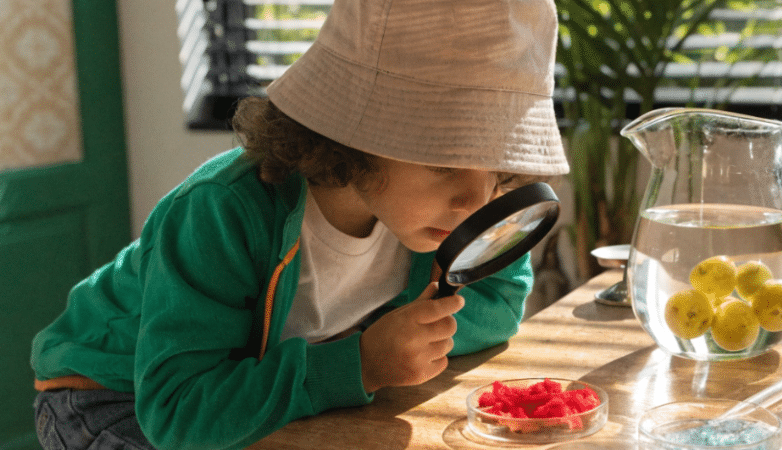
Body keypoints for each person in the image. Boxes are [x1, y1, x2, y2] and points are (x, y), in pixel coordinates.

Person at [29, 0, 568, 448]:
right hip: (110, 396)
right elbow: (178, 413)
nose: (476, 199)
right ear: (354, 136)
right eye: (446, 163)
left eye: (498, 168)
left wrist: (391, 344)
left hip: (249, 390)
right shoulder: (222, 209)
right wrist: (359, 362)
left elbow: (498, 303)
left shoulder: (437, 211)